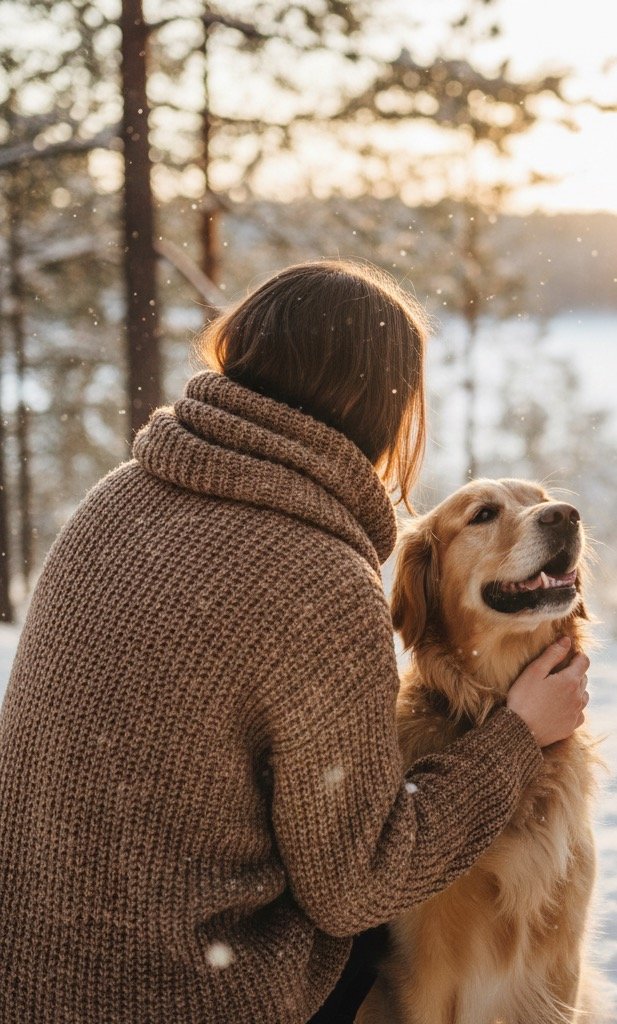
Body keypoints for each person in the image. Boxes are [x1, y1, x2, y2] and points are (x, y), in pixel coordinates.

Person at [0, 259, 589, 1024]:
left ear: (243, 353)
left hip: (27, 981)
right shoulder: (317, 577)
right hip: (190, 997)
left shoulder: (117, 497)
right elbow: (357, 885)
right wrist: (517, 736)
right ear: (381, 403)